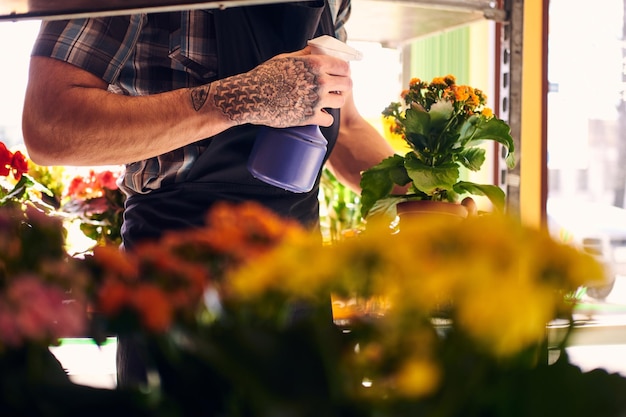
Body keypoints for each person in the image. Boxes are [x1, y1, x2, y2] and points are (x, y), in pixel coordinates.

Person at [21, 1, 397, 387]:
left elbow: (345, 125)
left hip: (299, 294)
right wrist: (240, 98)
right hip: (179, 289)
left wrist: (422, 190)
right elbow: (49, 126)